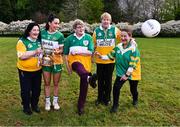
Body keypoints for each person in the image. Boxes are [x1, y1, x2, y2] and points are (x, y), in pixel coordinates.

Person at [95, 28, 141, 113]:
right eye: (121, 36)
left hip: (133, 73)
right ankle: (115, 105)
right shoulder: (118, 47)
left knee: (133, 89)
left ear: (130, 37)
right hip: (121, 72)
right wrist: (101, 56)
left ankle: (135, 99)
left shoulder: (134, 49)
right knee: (116, 88)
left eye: (125, 36)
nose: (123, 38)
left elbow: (132, 64)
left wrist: (126, 75)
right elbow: (110, 56)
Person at [64, 19, 97, 115]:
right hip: (74, 62)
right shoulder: (69, 39)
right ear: (74, 29)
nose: (81, 29)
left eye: (82, 27)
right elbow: (65, 55)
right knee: (81, 70)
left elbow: (90, 52)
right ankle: (90, 78)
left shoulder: (88, 37)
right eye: (78, 27)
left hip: (86, 64)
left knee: (84, 83)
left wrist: (78, 52)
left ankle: (80, 106)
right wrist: (68, 68)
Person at [93, 12, 121, 106]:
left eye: (108, 20)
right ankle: (99, 98)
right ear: (101, 21)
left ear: (110, 21)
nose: (106, 21)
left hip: (110, 59)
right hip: (99, 60)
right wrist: (93, 54)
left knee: (108, 80)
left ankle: (107, 99)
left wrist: (132, 41)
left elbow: (123, 39)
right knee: (100, 80)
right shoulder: (96, 31)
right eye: (104, 19)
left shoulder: (114, 29)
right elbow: (93, 44)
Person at [16, 22, 42, 115]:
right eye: (34, 30)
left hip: (37, 70)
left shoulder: (39, 41)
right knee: (26, 90)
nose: (36, 32)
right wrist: (35, 51)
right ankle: (26, 107)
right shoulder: (22, 41)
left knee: (37, 89)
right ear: (29, 31)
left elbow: (42, 54)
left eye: (38, 30)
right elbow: (21, 56)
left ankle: (34, 105)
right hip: (25, 71)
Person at [41, 14, 64, 111]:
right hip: (46, 61)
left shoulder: (60, 35)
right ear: (49, 23)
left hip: (57, 62)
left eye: (58, 23)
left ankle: (55, 102)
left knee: (56, 83)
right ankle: (47, 102)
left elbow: (62, 50)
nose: (57, 25)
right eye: (55, 23)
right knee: (46, 83)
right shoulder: (42, 33)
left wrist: (58, 51)